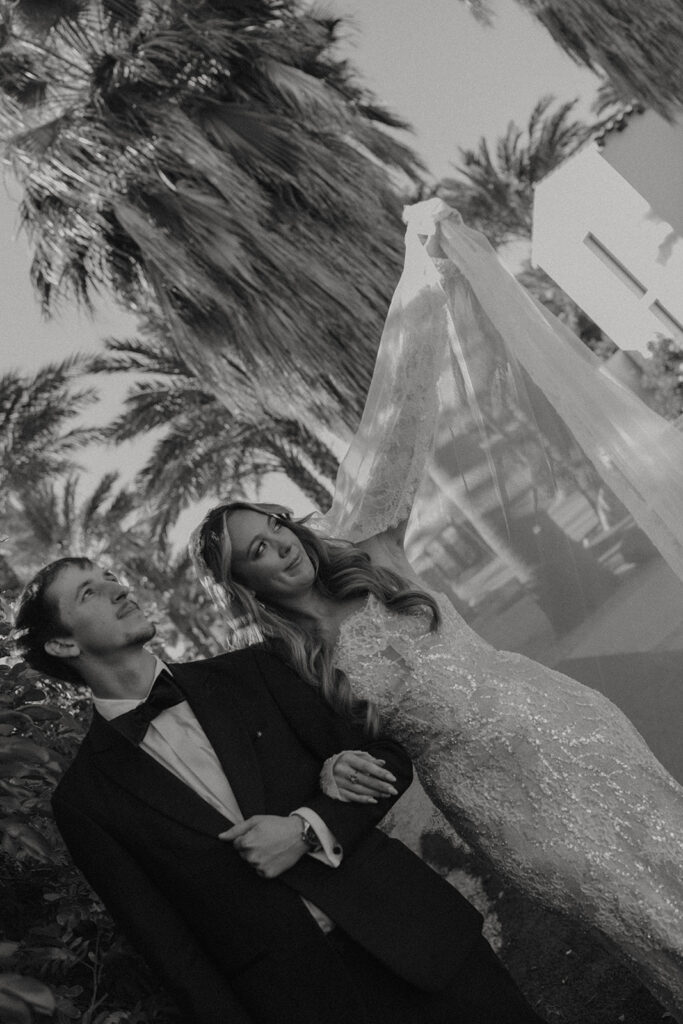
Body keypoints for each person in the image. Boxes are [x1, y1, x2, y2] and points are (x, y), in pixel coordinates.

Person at [192, 200, 683, 1020]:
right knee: (635, 911)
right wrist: (325, 773)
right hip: (503, 807)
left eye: (272, 525)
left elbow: (399, 421)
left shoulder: (376, 556)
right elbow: (321, 754)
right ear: (247, 583)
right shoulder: (294, 663)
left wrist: (424, 269)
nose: (275, 544)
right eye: (254, 551)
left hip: (572, 727)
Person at [13, 556, 548, 1024]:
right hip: (306, 1003)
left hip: (415, 937)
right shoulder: (84, 800)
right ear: (62, 642)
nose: (119, 588)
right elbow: (172, 954)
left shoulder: (255, 669)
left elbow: (385, 756)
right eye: (90, 592)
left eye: (111, 576)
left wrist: (308, 829)